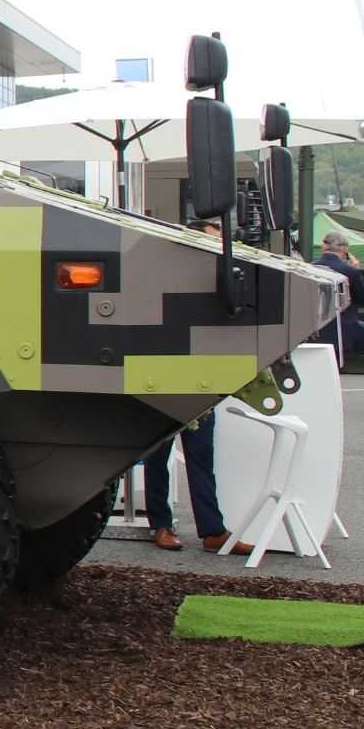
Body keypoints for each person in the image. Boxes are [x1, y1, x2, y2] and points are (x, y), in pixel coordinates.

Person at [143, 216, 255, 555]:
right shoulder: (166, 277)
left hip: (200, 382)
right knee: (158, 458)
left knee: (200, 458)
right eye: (212, 241)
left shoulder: (217, 280)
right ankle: (162, 525)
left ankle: (212, 530)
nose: (218, 248)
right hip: (163, 380)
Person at [314, 230, 364, 353]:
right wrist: (355, 271)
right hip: (345, 333)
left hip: (315, 333)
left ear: (323, 247)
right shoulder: (350, 271)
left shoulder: (310, 268)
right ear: (345, 249)